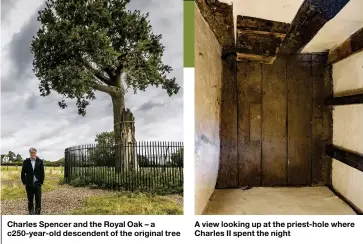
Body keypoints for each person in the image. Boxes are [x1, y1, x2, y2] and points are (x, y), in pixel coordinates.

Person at [21, 147, 45, 215]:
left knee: (38, 200)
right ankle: (31, 213)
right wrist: (24, 183)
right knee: (30, 200)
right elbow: (22, 174)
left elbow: (42, 173)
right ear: (30, 153)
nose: (32, 154)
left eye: (34, 152)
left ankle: (37, 214)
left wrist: (41, 182)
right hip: (29, 185)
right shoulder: (25, 162)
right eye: (31, 153)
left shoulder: (40, 161)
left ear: (36, 153)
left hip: (37, 184)